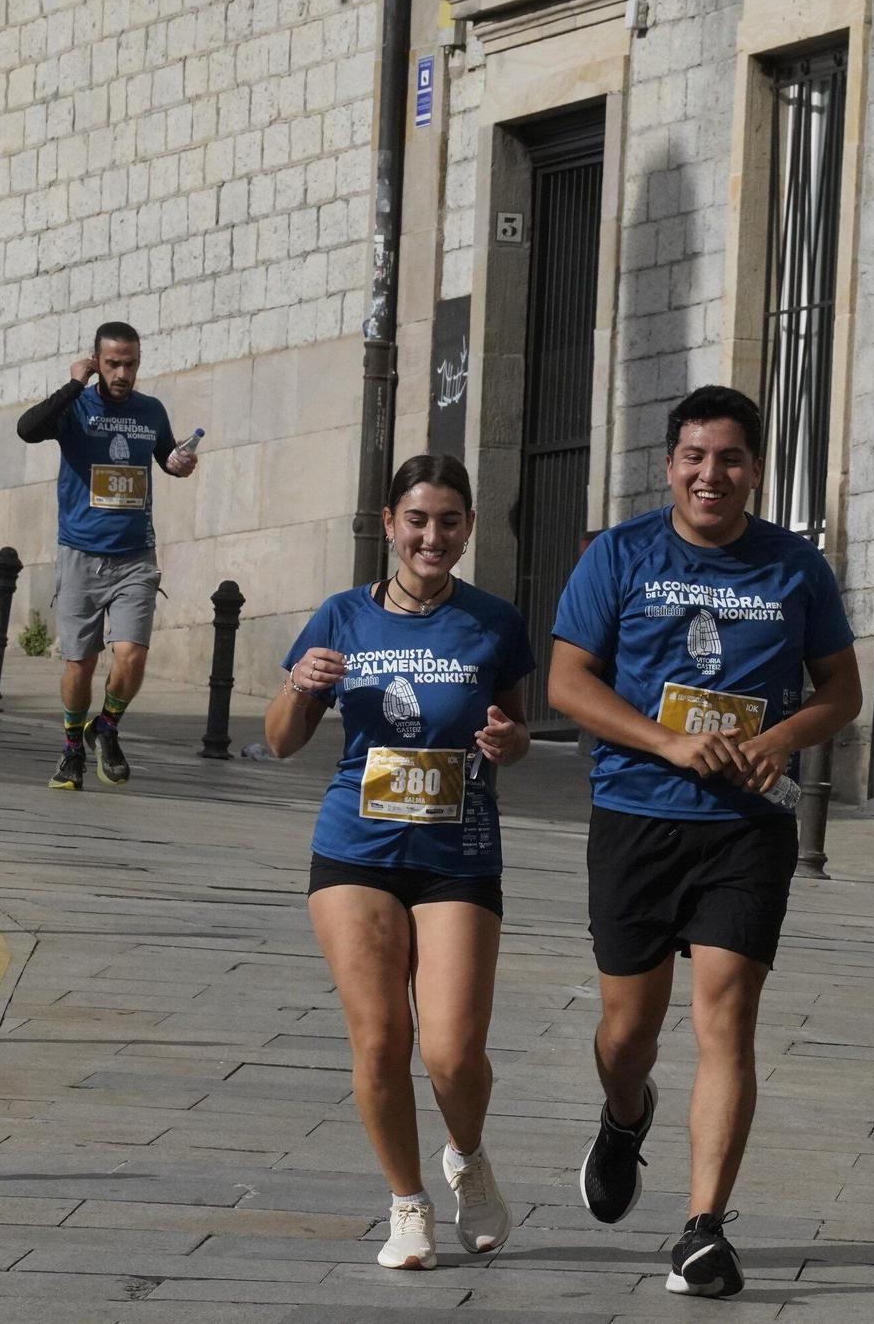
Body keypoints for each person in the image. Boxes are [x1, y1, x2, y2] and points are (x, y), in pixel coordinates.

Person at [547, 385, 862, 1298]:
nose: (710, 474)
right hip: (638, 815)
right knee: (627, 1031)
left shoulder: (795, 568)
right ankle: (622, 1115)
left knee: (727, 1014)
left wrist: (776, 742)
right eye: (694, 457)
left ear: (756, 469)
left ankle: (702, 1228)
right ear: (670, 464)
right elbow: (569, 682)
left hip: (747, 828)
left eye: (729, 459)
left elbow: (841, 692)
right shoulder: (622, 554)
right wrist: (667, 740)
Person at [265, 454, 535, 1271]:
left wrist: (509, 742)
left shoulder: (492, 622)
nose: (432, 536)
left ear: (468, 529)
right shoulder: (341, 616)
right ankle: (407, 1202)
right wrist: (301, 686)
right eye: (416, 519)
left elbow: (517, 734)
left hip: (458, 853)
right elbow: (280, 740)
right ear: (388, 524)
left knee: (452, 1051)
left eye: (449, 521)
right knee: (382, 1039)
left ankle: (468, 1154)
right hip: (356, 850)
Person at [16, 322, 196, 791]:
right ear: (96, 361)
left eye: (130, 363)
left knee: (131, 654)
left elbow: (165, 456)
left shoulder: (150, 411)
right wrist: (75, 383)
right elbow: (27, 430)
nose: (122, 373)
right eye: (113, 363)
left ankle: (108, 726)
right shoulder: (76, 406)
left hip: (135, 555)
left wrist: (177, 463)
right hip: (80, 554)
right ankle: (73, 746)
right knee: (81, 662)